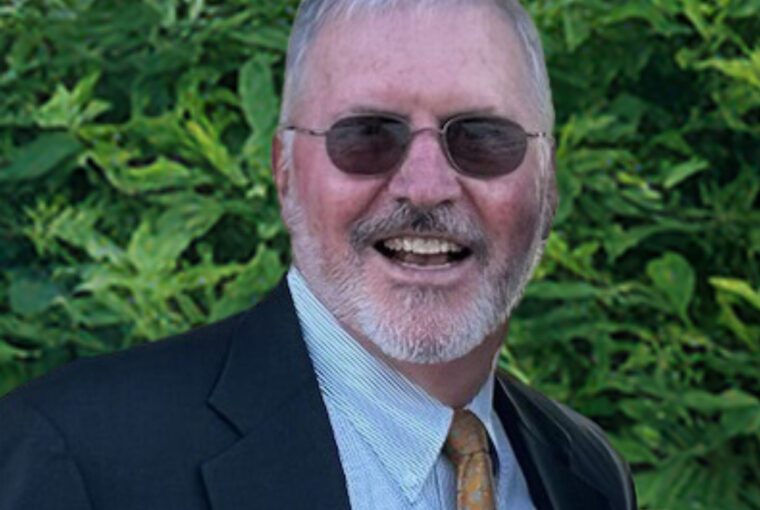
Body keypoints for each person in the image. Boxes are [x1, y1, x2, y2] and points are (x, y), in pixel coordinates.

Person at [0, 0, 636, 509]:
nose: (425, 186)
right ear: (285, 174)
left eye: (481, 138)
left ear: (547, 186)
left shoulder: (586, 473)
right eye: (365, 136)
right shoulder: (81, 455)